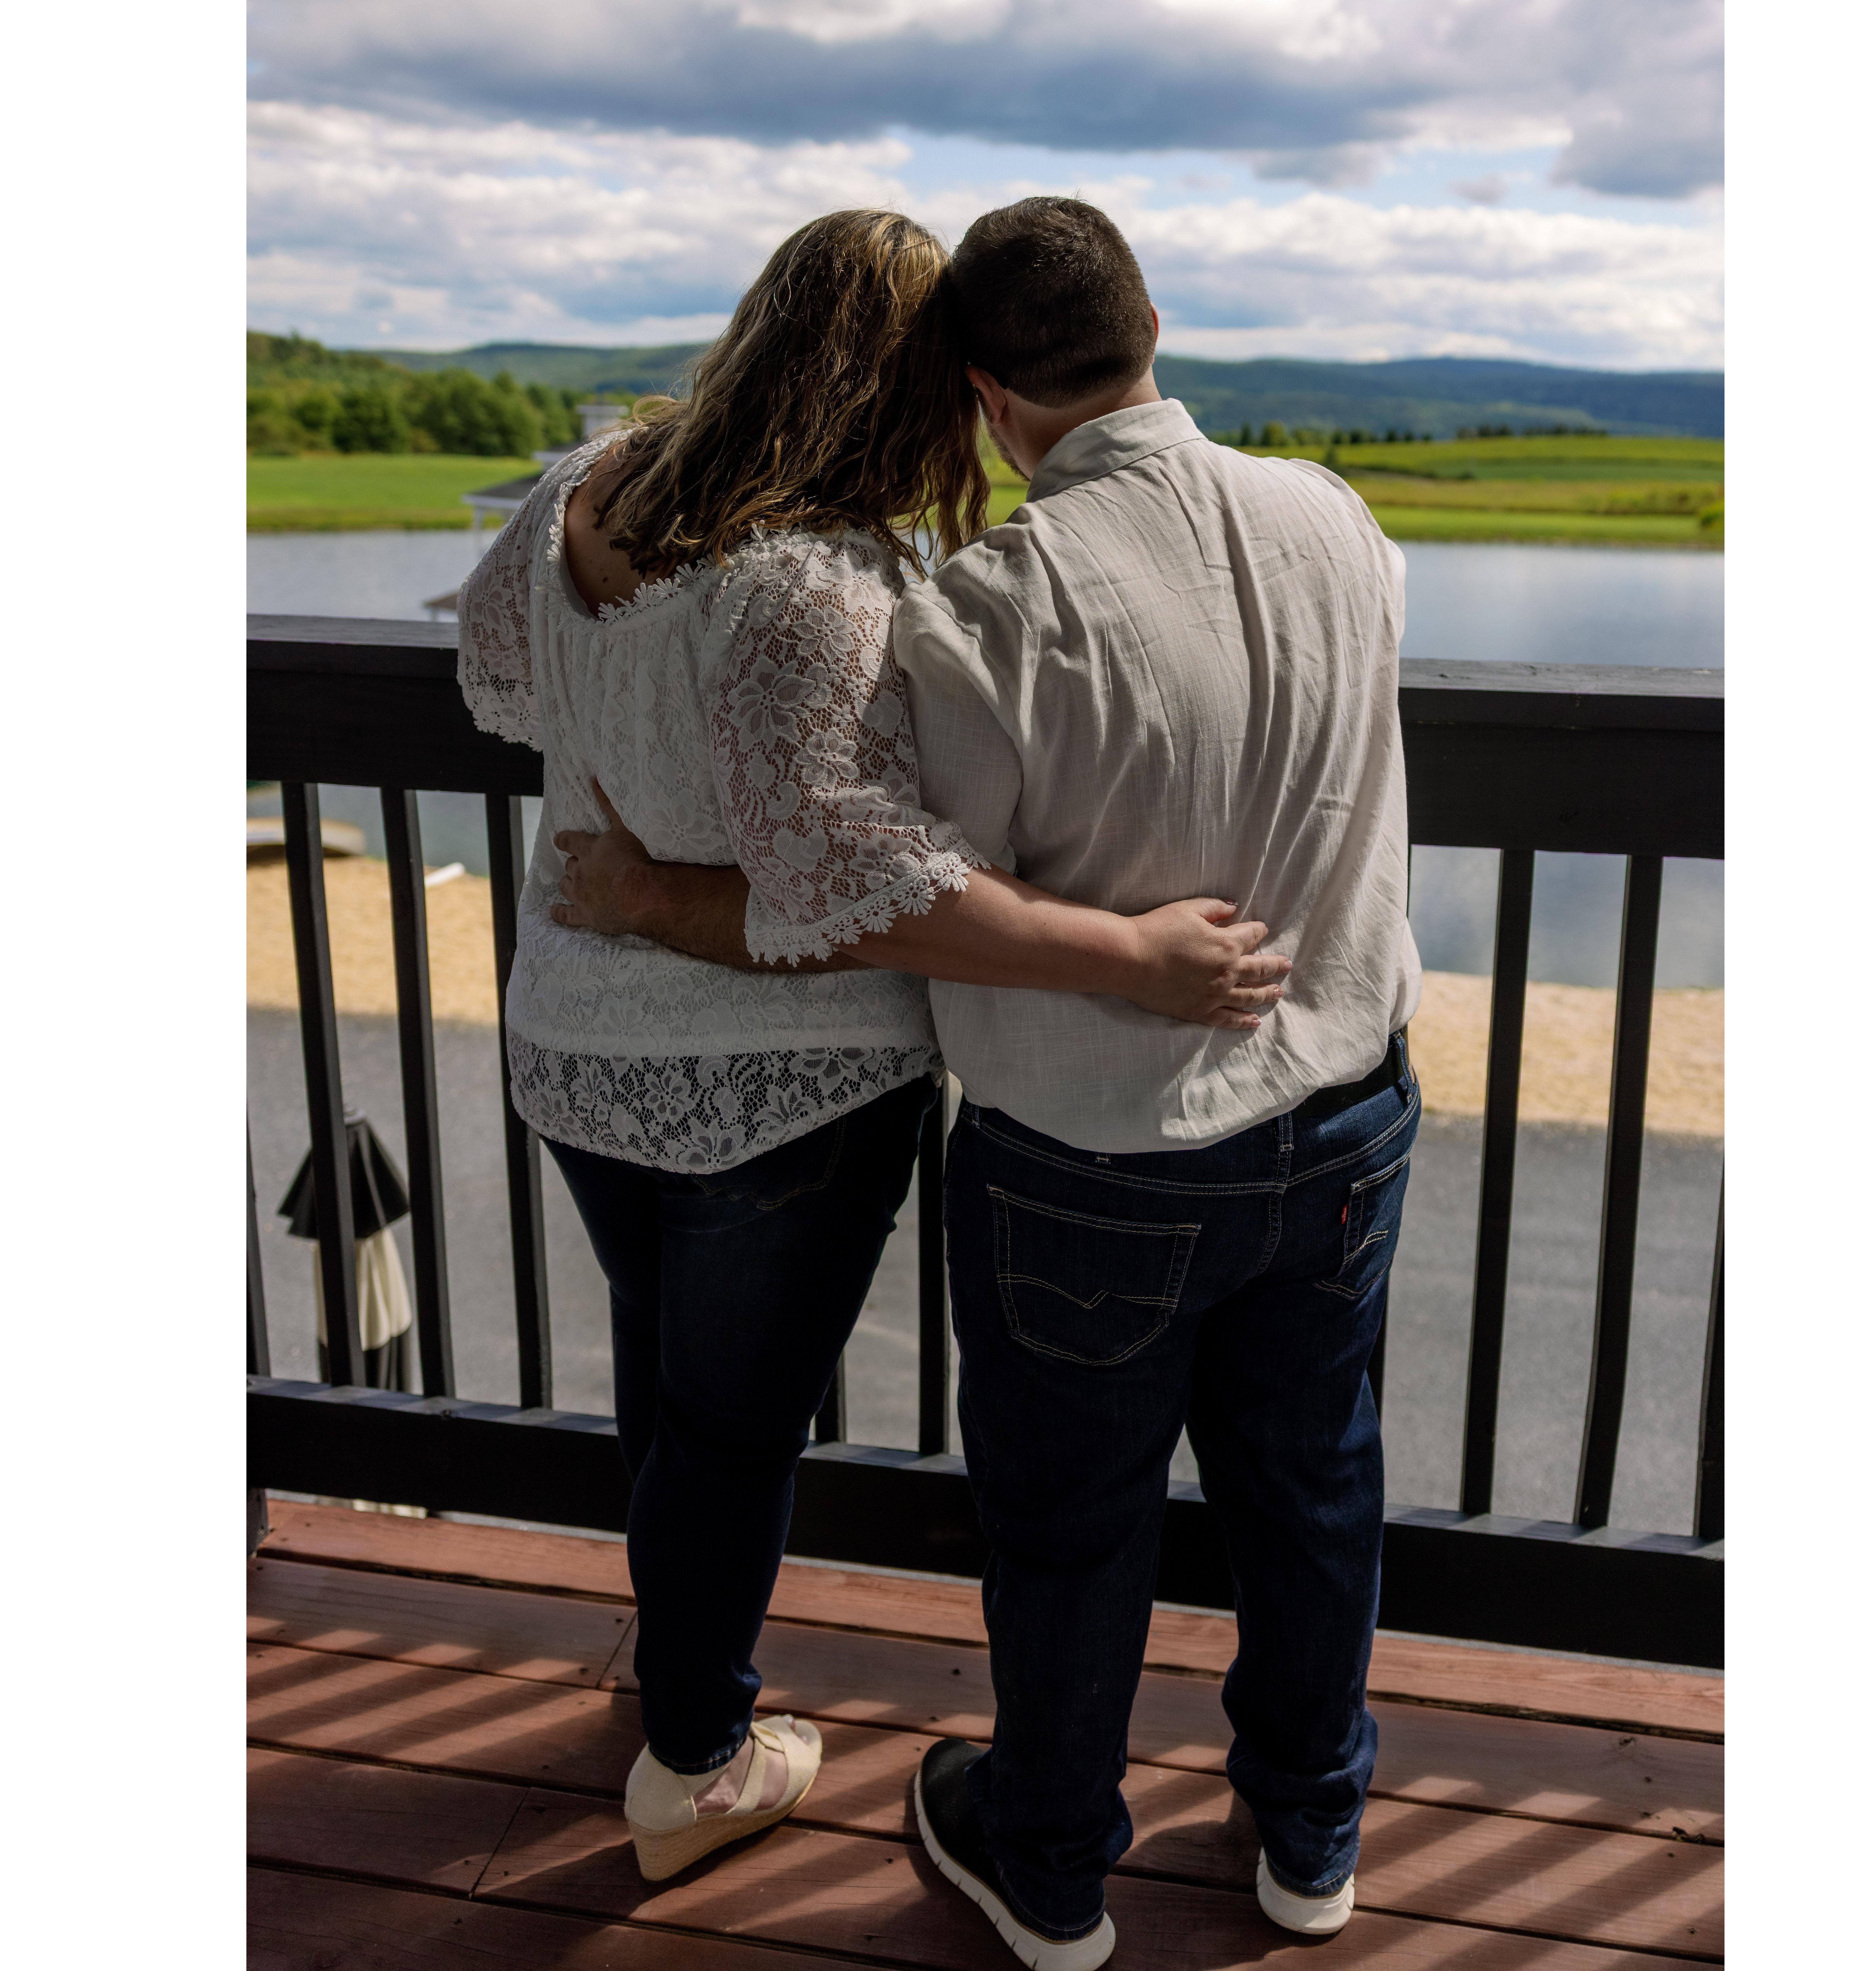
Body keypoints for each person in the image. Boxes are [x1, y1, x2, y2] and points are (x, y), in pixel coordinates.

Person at [557, 198, 1422, 1968]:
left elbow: (904, 884)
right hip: (1340, 1104)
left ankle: (1050, 1873)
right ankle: (1311, 1834)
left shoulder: (988, 610)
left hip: (1094, 1157)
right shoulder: (1334, 516)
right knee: (1317, 1482)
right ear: (1154, 324)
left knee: (1067, 1531)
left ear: (981, 393)